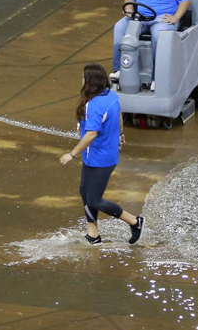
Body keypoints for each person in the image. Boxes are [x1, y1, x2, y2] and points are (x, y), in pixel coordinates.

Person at [60, 63, 144, 245]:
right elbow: (119, 115)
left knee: (95, 199)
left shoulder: (94, 105)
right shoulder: (111, 96)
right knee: (85, 191)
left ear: (90, 82)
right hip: (97, 156)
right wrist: (120, 134)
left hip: (100, 159)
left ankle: (134, 221)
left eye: (83, 78)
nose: (81, 81)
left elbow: (91, 134)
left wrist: (71, 154)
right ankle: (93, 234)